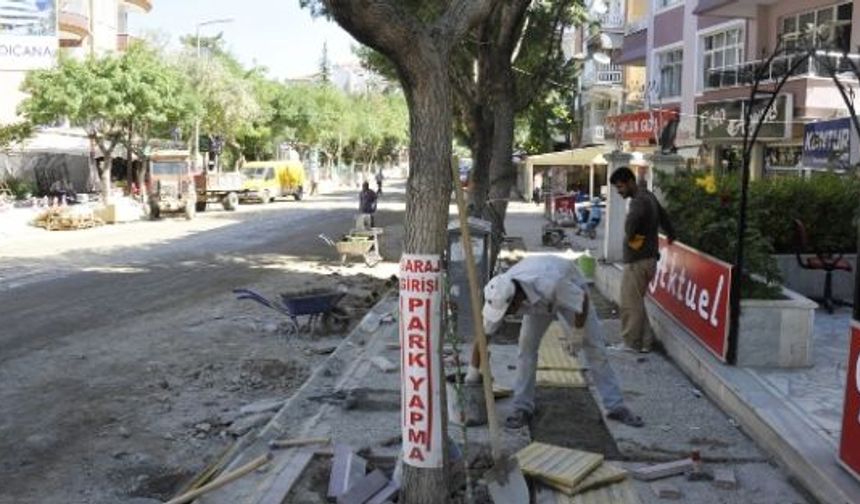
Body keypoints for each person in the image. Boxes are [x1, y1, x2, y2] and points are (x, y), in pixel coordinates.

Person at [467, 254, 644, 429]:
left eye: (508, 312)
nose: (505, 317)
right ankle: (522, 408)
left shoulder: (551, 283)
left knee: (594, 347)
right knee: (526, 349)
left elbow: (582, 301)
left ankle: (615, 406)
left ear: (516, 300)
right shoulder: (499, 294)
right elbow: (483, 337)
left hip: (570, 287)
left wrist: (577, 332)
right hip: (538, 301)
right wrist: (472, 374)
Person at [609, 167, 675, 353]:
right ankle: (646, 341)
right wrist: (671, 234)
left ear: (630, 182)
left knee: (630, 304)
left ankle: (631, 343)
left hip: (638, 262)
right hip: (648, 260)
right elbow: (664, 216)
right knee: (636, 301)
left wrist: (630, 238)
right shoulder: (649, 196)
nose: (619, 192)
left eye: (620, 187)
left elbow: (632, 223)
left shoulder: (638, 202)